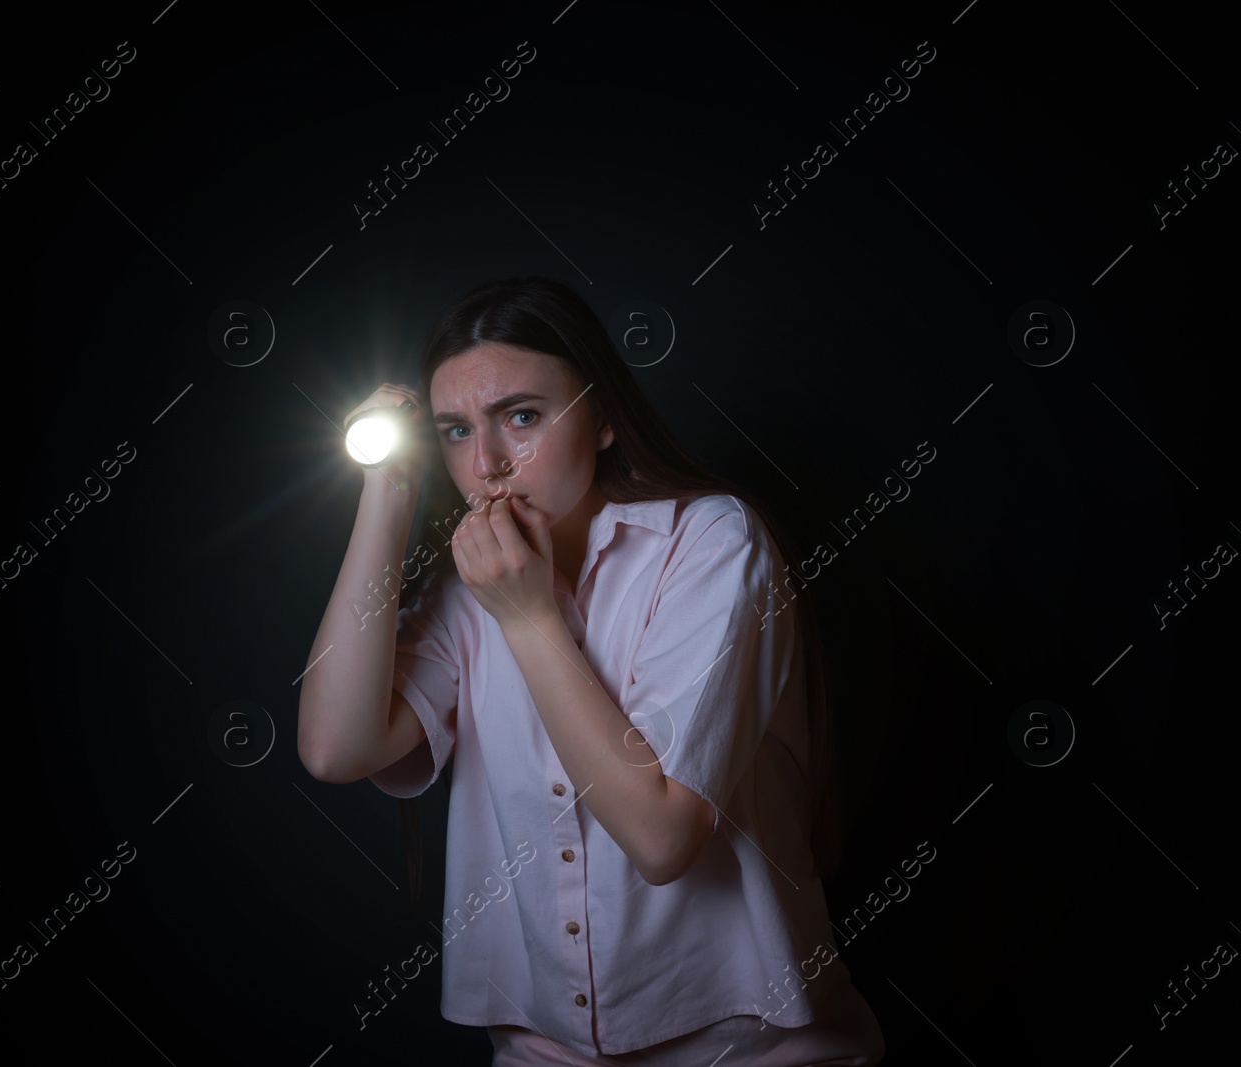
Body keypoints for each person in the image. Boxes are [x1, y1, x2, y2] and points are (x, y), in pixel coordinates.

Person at [298, 277, 885, 1066]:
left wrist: (531, 617)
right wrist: (388, 490)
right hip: (548, 1051)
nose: (489, 463)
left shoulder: (711, 542)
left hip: (752, 1046)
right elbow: (335, 748)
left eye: (522, 416)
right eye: (454, 431)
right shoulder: (463, 587)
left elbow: (661, 835)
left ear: (603, 418)